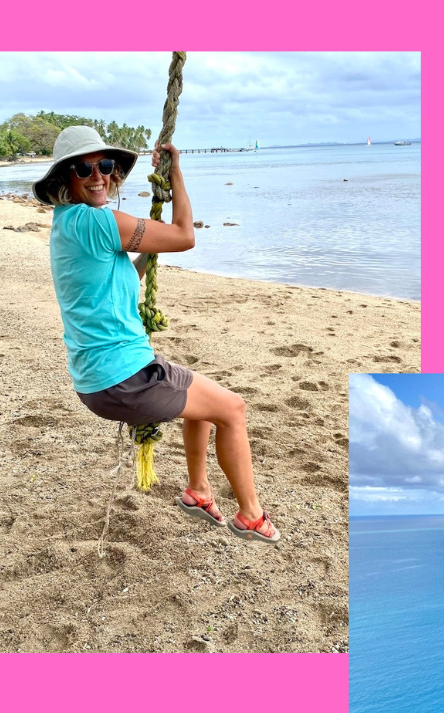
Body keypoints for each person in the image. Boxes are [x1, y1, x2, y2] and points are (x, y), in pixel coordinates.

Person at [33, 125, 280, 543]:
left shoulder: (67, 224)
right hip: (125, 377)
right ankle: (251, 516)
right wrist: (177, 173)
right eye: (84, 169)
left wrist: (147, 247)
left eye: (105, 166)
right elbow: (186, 236)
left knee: (201, 402)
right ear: (65, 178)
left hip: (98, 380)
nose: (99, 176)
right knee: (233, 409)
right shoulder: (95, 222)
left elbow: (121, 279)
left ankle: (199, 491)